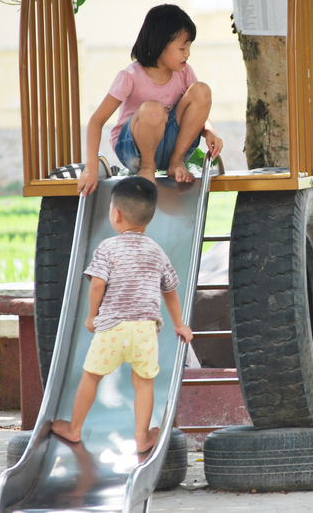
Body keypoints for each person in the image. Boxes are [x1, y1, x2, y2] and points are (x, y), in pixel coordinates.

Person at [52, 177, 193, 453]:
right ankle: (142, 437)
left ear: (115, 214)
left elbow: (97, 284)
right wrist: (179, 324)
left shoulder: (107, 247)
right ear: (149, 219)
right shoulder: (156, 250)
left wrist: (93, 316)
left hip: (112, 330)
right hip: (144, 331)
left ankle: (74, 428)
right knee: (143, 385)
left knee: (91, 377)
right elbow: (171, 291)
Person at [77, 4, 223, 195]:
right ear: (161, 44)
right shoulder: (130, 76)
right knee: (154, 110)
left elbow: (197, 111)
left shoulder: (185, 73)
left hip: (172, 148)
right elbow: (96, 121)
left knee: (202, 90)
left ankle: (175, 163)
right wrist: (91, 168)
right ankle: (147, 167)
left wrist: (210, 132)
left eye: (189, 47)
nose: (188, 53)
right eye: (182, 47)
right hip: (134, 150)